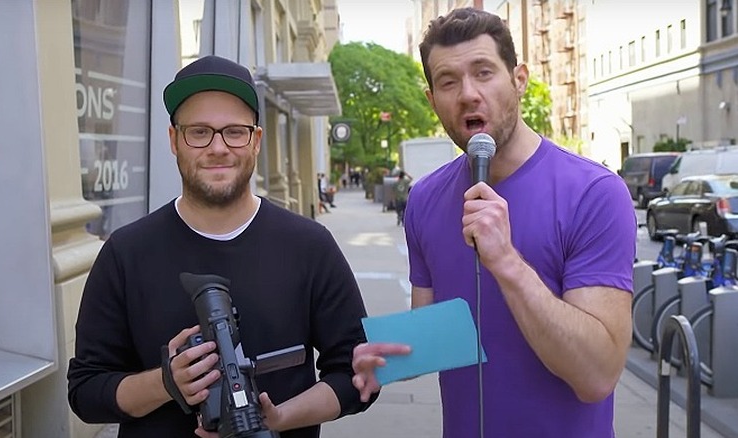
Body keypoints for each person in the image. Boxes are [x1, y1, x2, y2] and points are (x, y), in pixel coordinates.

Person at [351, 8, 636, 438]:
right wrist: (385, 359)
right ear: (432, 100)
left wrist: (506, 260)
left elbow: (597, 375)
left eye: (484, 72)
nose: (468, 93)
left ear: (518, 79)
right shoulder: (425, 199)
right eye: (448, 81)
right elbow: (437, 334)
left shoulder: (595, 193)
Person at [67, 55, 376, 438]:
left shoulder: (309, 246)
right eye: (199, 132)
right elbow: (84, 391)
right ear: (174, 140)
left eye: (234, 131)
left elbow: (356, 374)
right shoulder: (125, 253)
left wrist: (275, 419)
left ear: (256, 140)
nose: (218, 147)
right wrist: (167, 382)